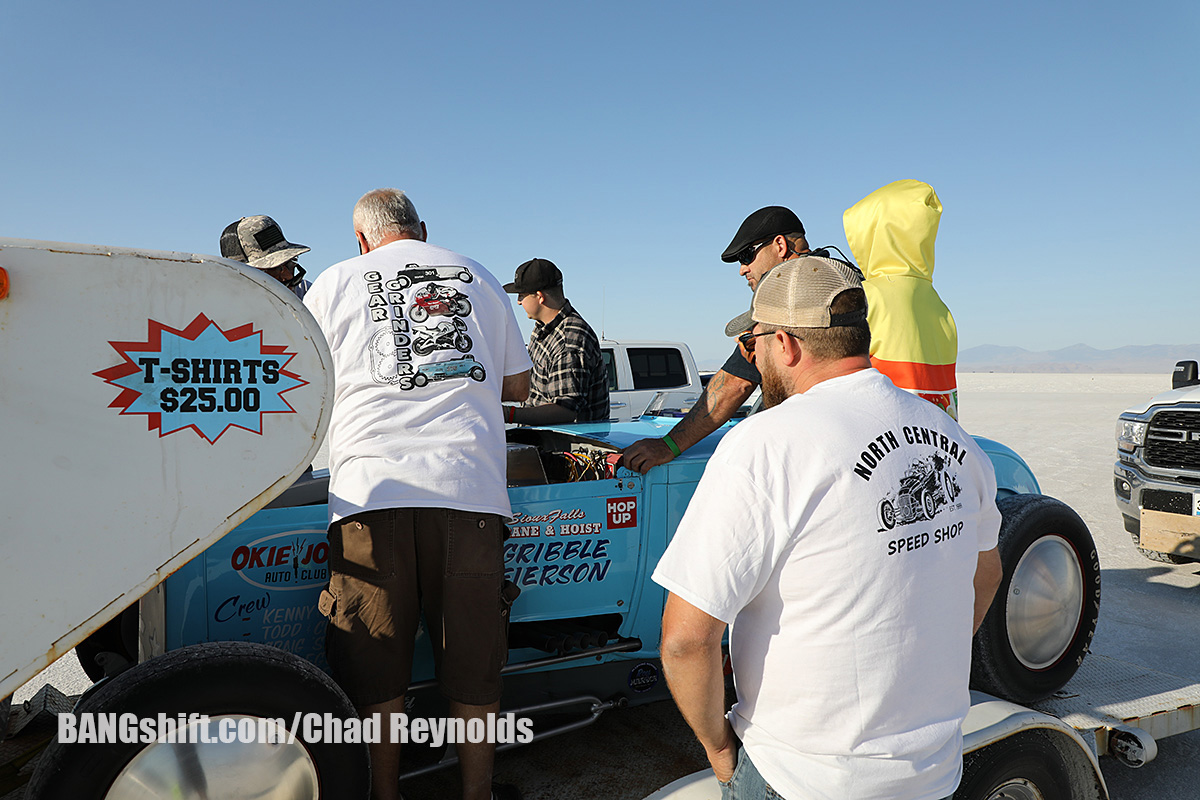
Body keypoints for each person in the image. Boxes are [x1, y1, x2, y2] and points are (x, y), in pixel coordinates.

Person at [653, 256, 1004, 800]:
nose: (754, 356)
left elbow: (685, 640)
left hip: (802, 776)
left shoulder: (765, 444)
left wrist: (720, 751)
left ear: (785, 344)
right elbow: (986, 575)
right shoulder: (954, 437)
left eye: (754, 342)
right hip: (933, 772)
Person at [303, 189, 531, 800]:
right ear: (422, 229)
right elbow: (517, 385)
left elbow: (302, 382)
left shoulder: (334, 282)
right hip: (468, 489)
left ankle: (384, 794)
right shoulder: (479, 276)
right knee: (472, 654)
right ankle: (477, 794)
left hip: (369, 494)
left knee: (374, 654)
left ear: (361, 239)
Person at [622, 206, 815, 473]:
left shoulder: (785, 301)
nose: (743, 270)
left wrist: (669, 445)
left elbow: (736, 384)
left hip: (805, 458)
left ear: (780, 245)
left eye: (747, 256)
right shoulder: (848, 285)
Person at [843, 179, 960, 419]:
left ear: (873, 233)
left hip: (886, 430)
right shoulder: (938, 305)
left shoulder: (867, 295)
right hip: (937, 433)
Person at [502, 257, 609, 424]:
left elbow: (565, 411)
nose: (518, 302)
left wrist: (507, 414)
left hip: (563, 440)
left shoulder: (570, 341)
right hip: (542, 437)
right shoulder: (543, 329)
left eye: (521, 296)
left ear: (539, 296)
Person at [220, 215, 313, 298]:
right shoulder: (223, 305)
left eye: (289, 264)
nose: (288, 276)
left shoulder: (306, 293)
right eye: (275, 269)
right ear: (243, 273)